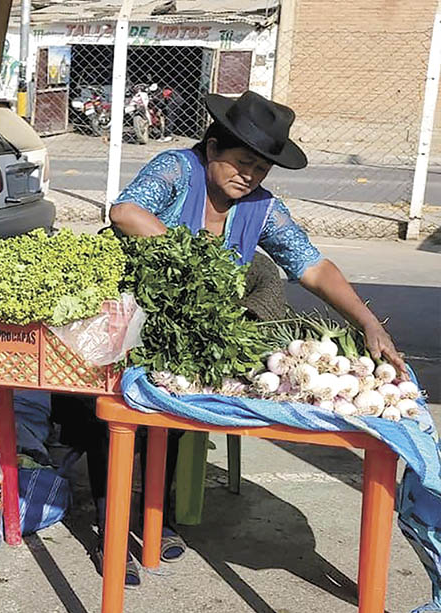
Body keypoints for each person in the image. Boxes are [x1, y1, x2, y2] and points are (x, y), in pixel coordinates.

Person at [57, 91, 408, 587]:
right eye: (242, 163)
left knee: (178, 419)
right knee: (117, 429)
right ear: (213, 147)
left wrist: (368, 321)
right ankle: (110, 529)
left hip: (190, 335)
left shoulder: (261, 208)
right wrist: (195, 265)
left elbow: (311, 266)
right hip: (125, 320)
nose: (250, 176)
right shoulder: (177, 170)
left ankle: (156, 518)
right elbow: (126, 212)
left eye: (261, 169)